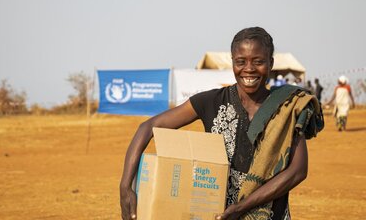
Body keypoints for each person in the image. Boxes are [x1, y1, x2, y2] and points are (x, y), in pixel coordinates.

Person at [119, 27, 324, 220]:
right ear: (232, 61)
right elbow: (147, 127)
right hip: (219, 214)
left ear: (270, 63)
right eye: (241, 61)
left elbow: (298, 171)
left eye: (258, 61)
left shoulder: (288, 107)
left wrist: (241, 207)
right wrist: (125, 187)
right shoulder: (212, 101)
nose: (249, 69)